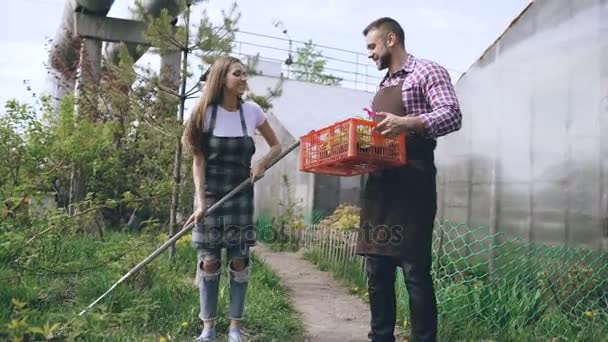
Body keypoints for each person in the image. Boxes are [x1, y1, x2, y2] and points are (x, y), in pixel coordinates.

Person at [355, 17, 462, 342]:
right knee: (377, 269)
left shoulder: (427, 71)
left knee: (415, 270)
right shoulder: (382, 84)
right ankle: (381, 337)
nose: (370, 54)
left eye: (372, 46)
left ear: (391, 40)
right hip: (380, 184)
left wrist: (408, 122)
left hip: (413, 180)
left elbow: (452, 114)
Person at [182, 56, 282, 342]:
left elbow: (276, 146)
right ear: (221, 78)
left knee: (239, 261)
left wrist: (262, 163)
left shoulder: (251, 111)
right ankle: (208, 328)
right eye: (237, 73)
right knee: (209, 261)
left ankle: (235, 329)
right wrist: (201, 202)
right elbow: (198, 161)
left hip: (240, 197)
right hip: (210, 197)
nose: (243, 78)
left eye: (244, 74)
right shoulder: (203, 112)